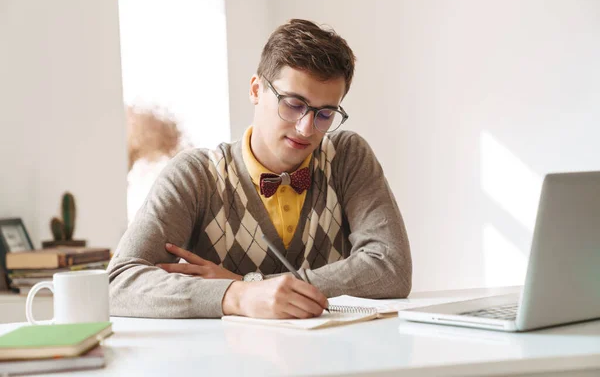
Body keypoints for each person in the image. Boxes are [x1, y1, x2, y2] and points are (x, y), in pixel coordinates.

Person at [107, 19, 412, 319]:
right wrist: (237, 297)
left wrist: (250, 285)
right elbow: (118, 283)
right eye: (294, 104)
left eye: (325, 114)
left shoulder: (347, 157)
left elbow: (391, 269)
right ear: (256, 89)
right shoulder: (195, 176)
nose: (306, 128)